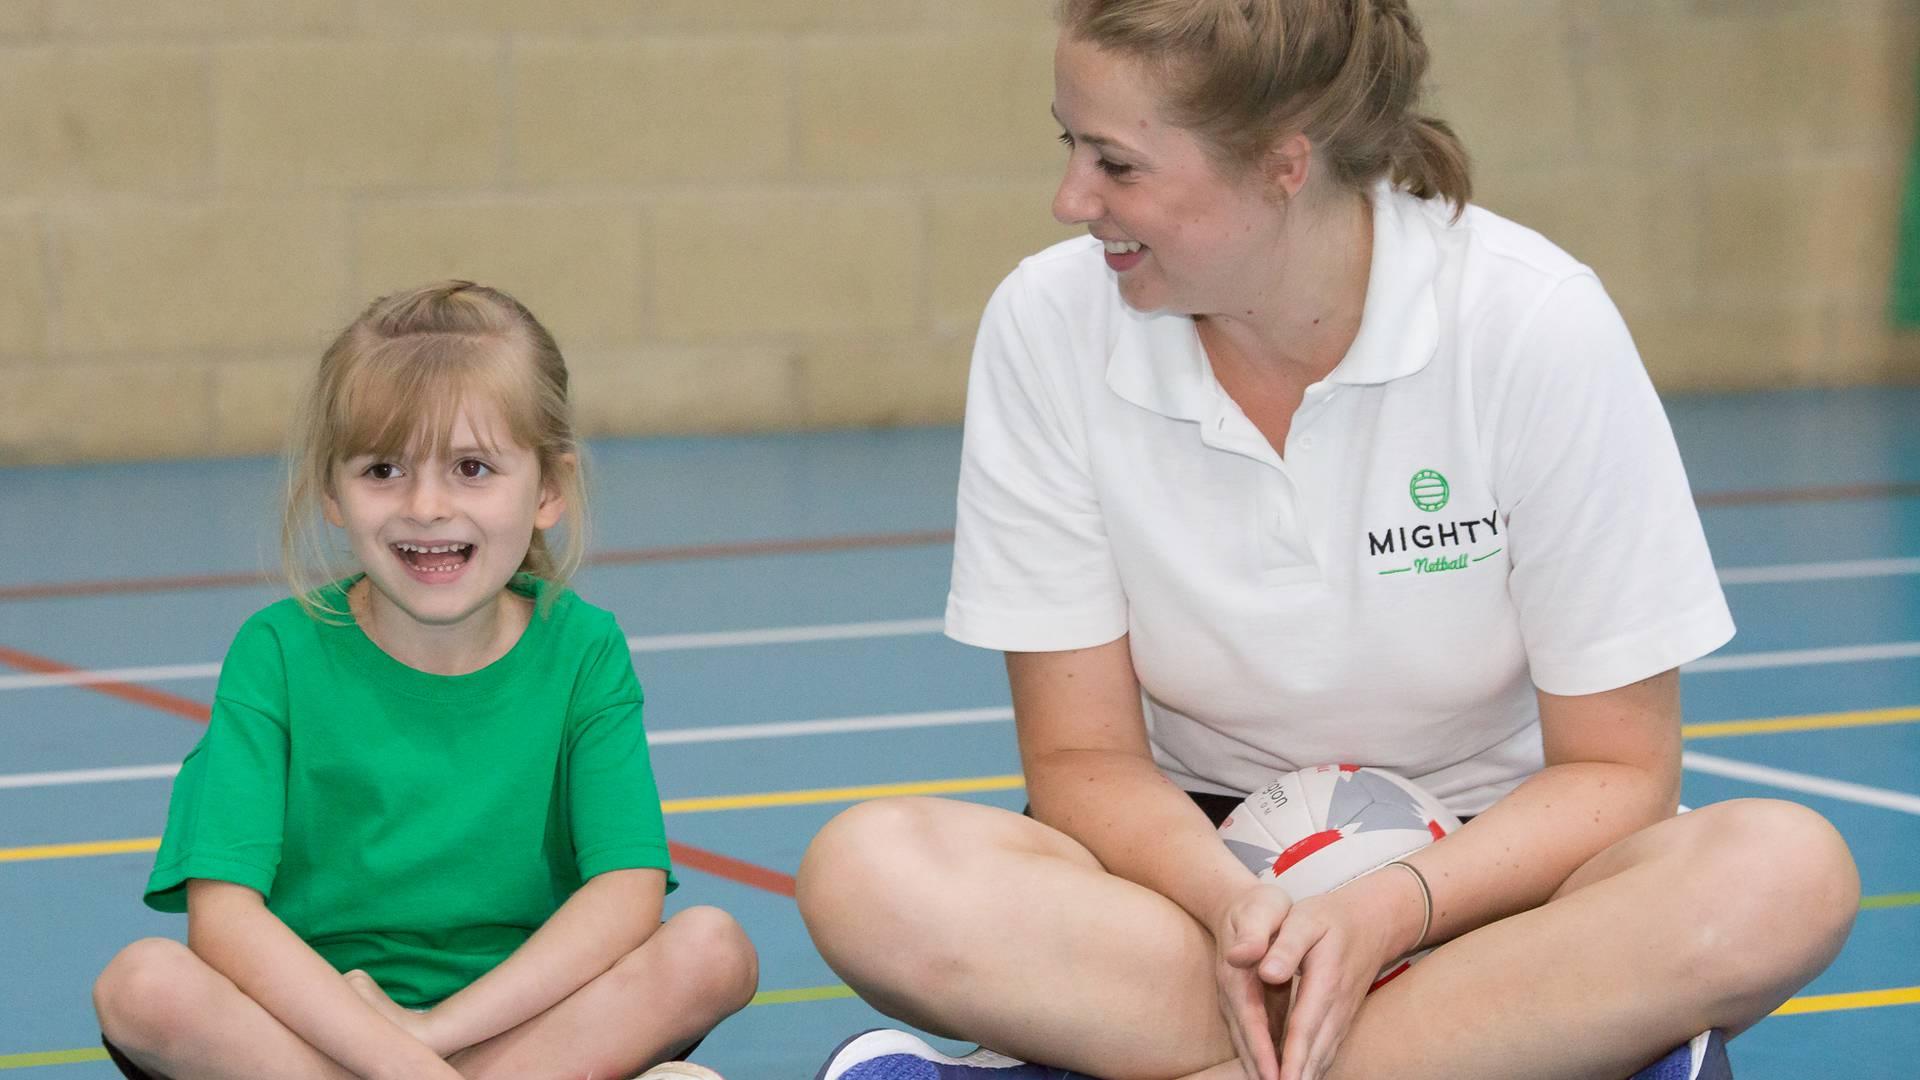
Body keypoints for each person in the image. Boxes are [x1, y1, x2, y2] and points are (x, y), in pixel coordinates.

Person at [798, 3, 1860, 1079]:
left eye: (1117, 163)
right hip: (1190, 891)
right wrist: (1244, 916)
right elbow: (1082, 761)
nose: (1073, 199)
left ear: (1283, 165)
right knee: (871, 873)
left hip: (1501, 886)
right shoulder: (1045, 325)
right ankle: (1511, 1049)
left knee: (1783, 873)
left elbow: (1620, 768)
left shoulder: (1532, 322)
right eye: (1068, 145)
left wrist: (1392, 912)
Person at [91, 282, 758, 1080]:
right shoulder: (275, 650)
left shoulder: (582, 648)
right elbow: (224, 918)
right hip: (314, 1028)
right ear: (333, 492)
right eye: (383, 469)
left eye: (473, 467)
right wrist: (389, 1059)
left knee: (713, 949)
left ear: (548, 488)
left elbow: (626, 892)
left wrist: (431, 1040)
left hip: (519, 1020)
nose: (428, 505)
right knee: (143, 986)